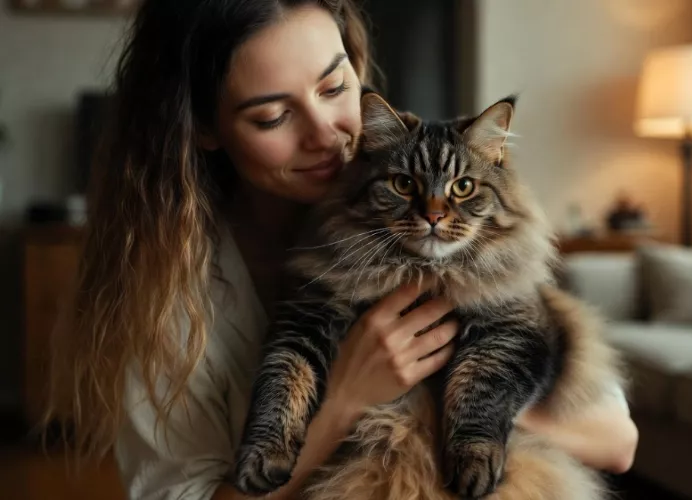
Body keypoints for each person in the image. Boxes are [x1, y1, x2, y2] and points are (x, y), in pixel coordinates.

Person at [45, 1, 638, 499]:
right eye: (273, 116)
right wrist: (348, 397)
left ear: (357, 67)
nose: (326, 133)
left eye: (334, 86)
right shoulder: (168, 295)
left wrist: (450, 393)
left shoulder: (430, 180)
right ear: (203, 127)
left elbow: (616, 441)